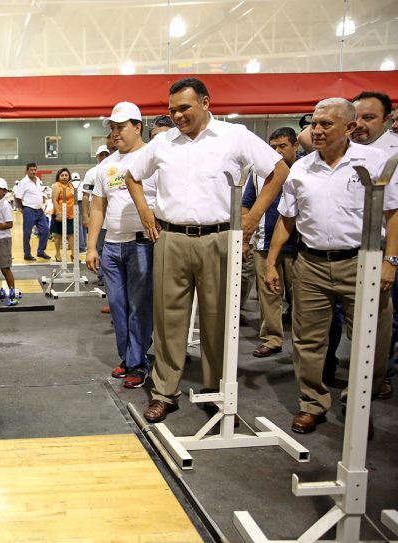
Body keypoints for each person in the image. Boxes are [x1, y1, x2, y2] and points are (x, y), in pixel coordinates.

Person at [126, 77, 290, 423]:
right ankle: (164, 392)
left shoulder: (235, 136)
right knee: (169, 319)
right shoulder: (163, 143)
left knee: (218, 319)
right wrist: (144, 210)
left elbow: (278, 170)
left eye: (184, 108)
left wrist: (253, 216)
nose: (178, 116)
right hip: (171, 237)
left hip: (219, 238)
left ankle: (216, 391)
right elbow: (132, 175)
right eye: (172, 110)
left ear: (205, 102)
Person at [265, 97, 397, 435]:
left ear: (349, 127)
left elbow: (393, 214)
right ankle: (312, 404)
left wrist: (390, 261)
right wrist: (271, 262)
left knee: (374, 341)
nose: (318, 130)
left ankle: (358, 405)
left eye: (326, 124)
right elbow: (287, 219)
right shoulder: (301, 168)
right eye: (314, 124)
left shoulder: (375, 161)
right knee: (308, 341)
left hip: (362, 262)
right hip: (310, 264)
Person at [86, 101, 156, 388]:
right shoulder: (107, 165)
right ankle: (129, 358)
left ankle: (137, 363)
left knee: (139, 308)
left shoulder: (153, 158)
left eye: (121, 127)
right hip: (112, 247)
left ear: (137, 127)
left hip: (142, 246)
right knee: (117, 306)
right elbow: (97, 208)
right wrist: (92, 247)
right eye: (112, 128)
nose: (115, 133)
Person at [351, 91, 398, 399]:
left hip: (382, 245)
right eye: (355, 117)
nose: (360, 125)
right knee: (345, 323)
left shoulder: (390, 154)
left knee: (383, 320)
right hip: (349, 248)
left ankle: (379, 375)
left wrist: (391, 260)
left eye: (369, 118)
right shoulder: (342, 147)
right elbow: (304, 135)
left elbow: (394, 213)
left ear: (387, 120)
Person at [242, 127, 300, 358]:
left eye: (282, 146)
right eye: (272, 147)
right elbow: (246, 202)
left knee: (301, 298)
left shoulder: (304, 170)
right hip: (264, 243)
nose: (276, 151)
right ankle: (272, 338)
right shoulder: (258, 172)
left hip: (298, 246)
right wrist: (246, 237)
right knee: (268, 296)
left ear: (296, 146)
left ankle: (302, 342)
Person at [83, 144, 111, 295]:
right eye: (102, 155)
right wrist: (86, 216)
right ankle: (101, 275)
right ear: (97, 156)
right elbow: (86, 196)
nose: (104, 157)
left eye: (107, 154)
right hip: (98, 218)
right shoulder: (92, 173)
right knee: (99, 248)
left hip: (113, 219)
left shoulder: (115, 168)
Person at [14, 163, 50, 261]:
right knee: (27, 233)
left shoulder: (38, 180)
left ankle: (41, 251)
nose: (33, 172)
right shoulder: (23, 182)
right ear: (27, 170)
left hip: (40, 210)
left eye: (35, 170)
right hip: (29, 210)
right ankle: (27, 253)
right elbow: (18, 198)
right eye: (31, 170)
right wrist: (22, 208)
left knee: (45, 230)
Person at [50, 168, 76, 262]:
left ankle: (73, 254)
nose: (64, 177)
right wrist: (58, 212)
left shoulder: (71, 185)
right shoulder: (57, 185)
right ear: (59, 176)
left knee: (71, 235)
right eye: (62, 175)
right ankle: (57, 254)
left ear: (69, 176)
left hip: (70, 214)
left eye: (66, 175)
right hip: (59, 214)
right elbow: (54, 199)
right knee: (57, 235)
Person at [70, 172, 86, 252]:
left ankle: (81, 246)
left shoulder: (70, 184)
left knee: (78, 225)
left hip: (75, 203)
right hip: (84, 202)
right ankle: (85, 244)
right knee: (83, 225)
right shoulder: (82, 183)